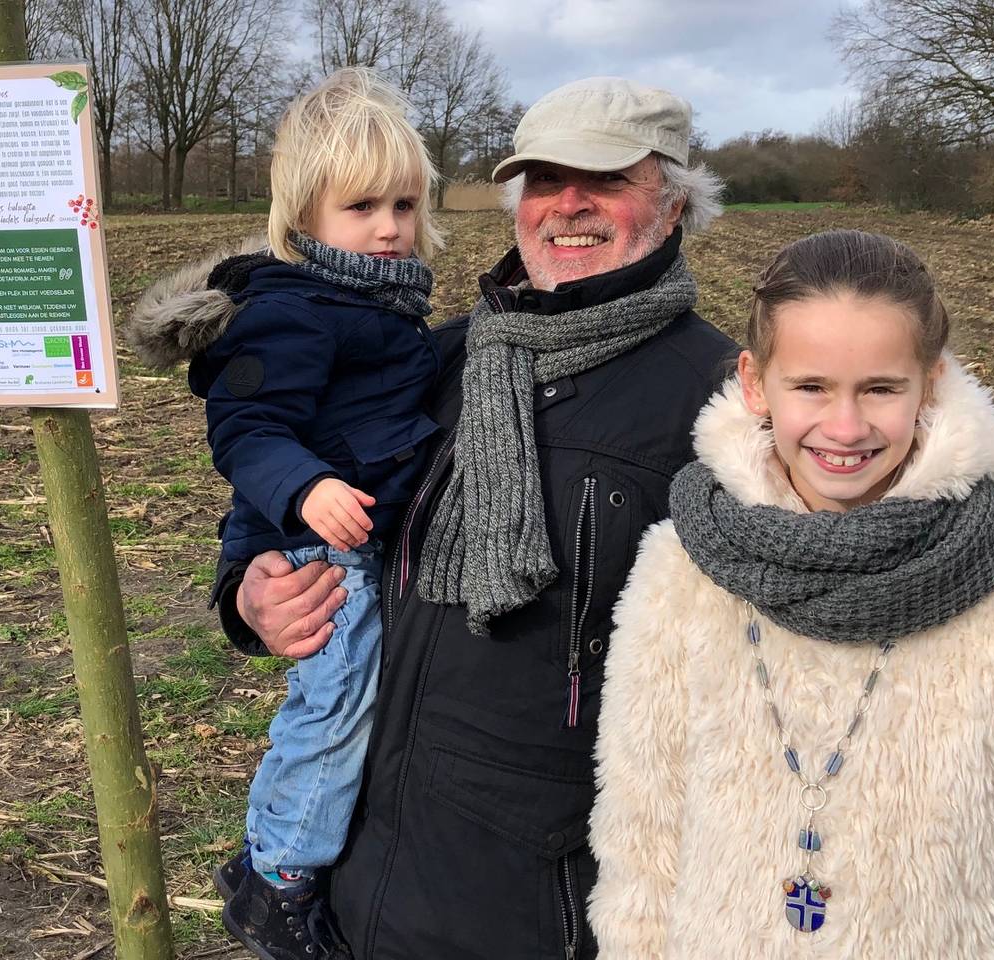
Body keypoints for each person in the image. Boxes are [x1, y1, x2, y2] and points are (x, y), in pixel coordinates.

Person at [188, 77, 737, 958]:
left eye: (607, 181)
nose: (569, 206)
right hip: (368, 879)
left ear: (673, 203)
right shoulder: (437, 356)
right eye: (546, 181)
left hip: (537, 906)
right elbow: (276, 476)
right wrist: (249, 599)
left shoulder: (720, 403)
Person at [588, 230, 994, 958]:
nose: (846, 427)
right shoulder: (680, 571)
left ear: (932, 383)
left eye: (881, 388)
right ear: (757, 383)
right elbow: (643, 837)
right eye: (812, 386)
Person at [131, 68, 443, 960]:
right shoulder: (294, 312)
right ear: (306, 216)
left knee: (355, 701)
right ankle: (278, 876)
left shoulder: (380, 302)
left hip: (355, 531)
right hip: (321, 547)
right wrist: (306, 488)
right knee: (337, 699)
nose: (389, 227)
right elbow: (246, 428)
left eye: (405, 204)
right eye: (362, 207)